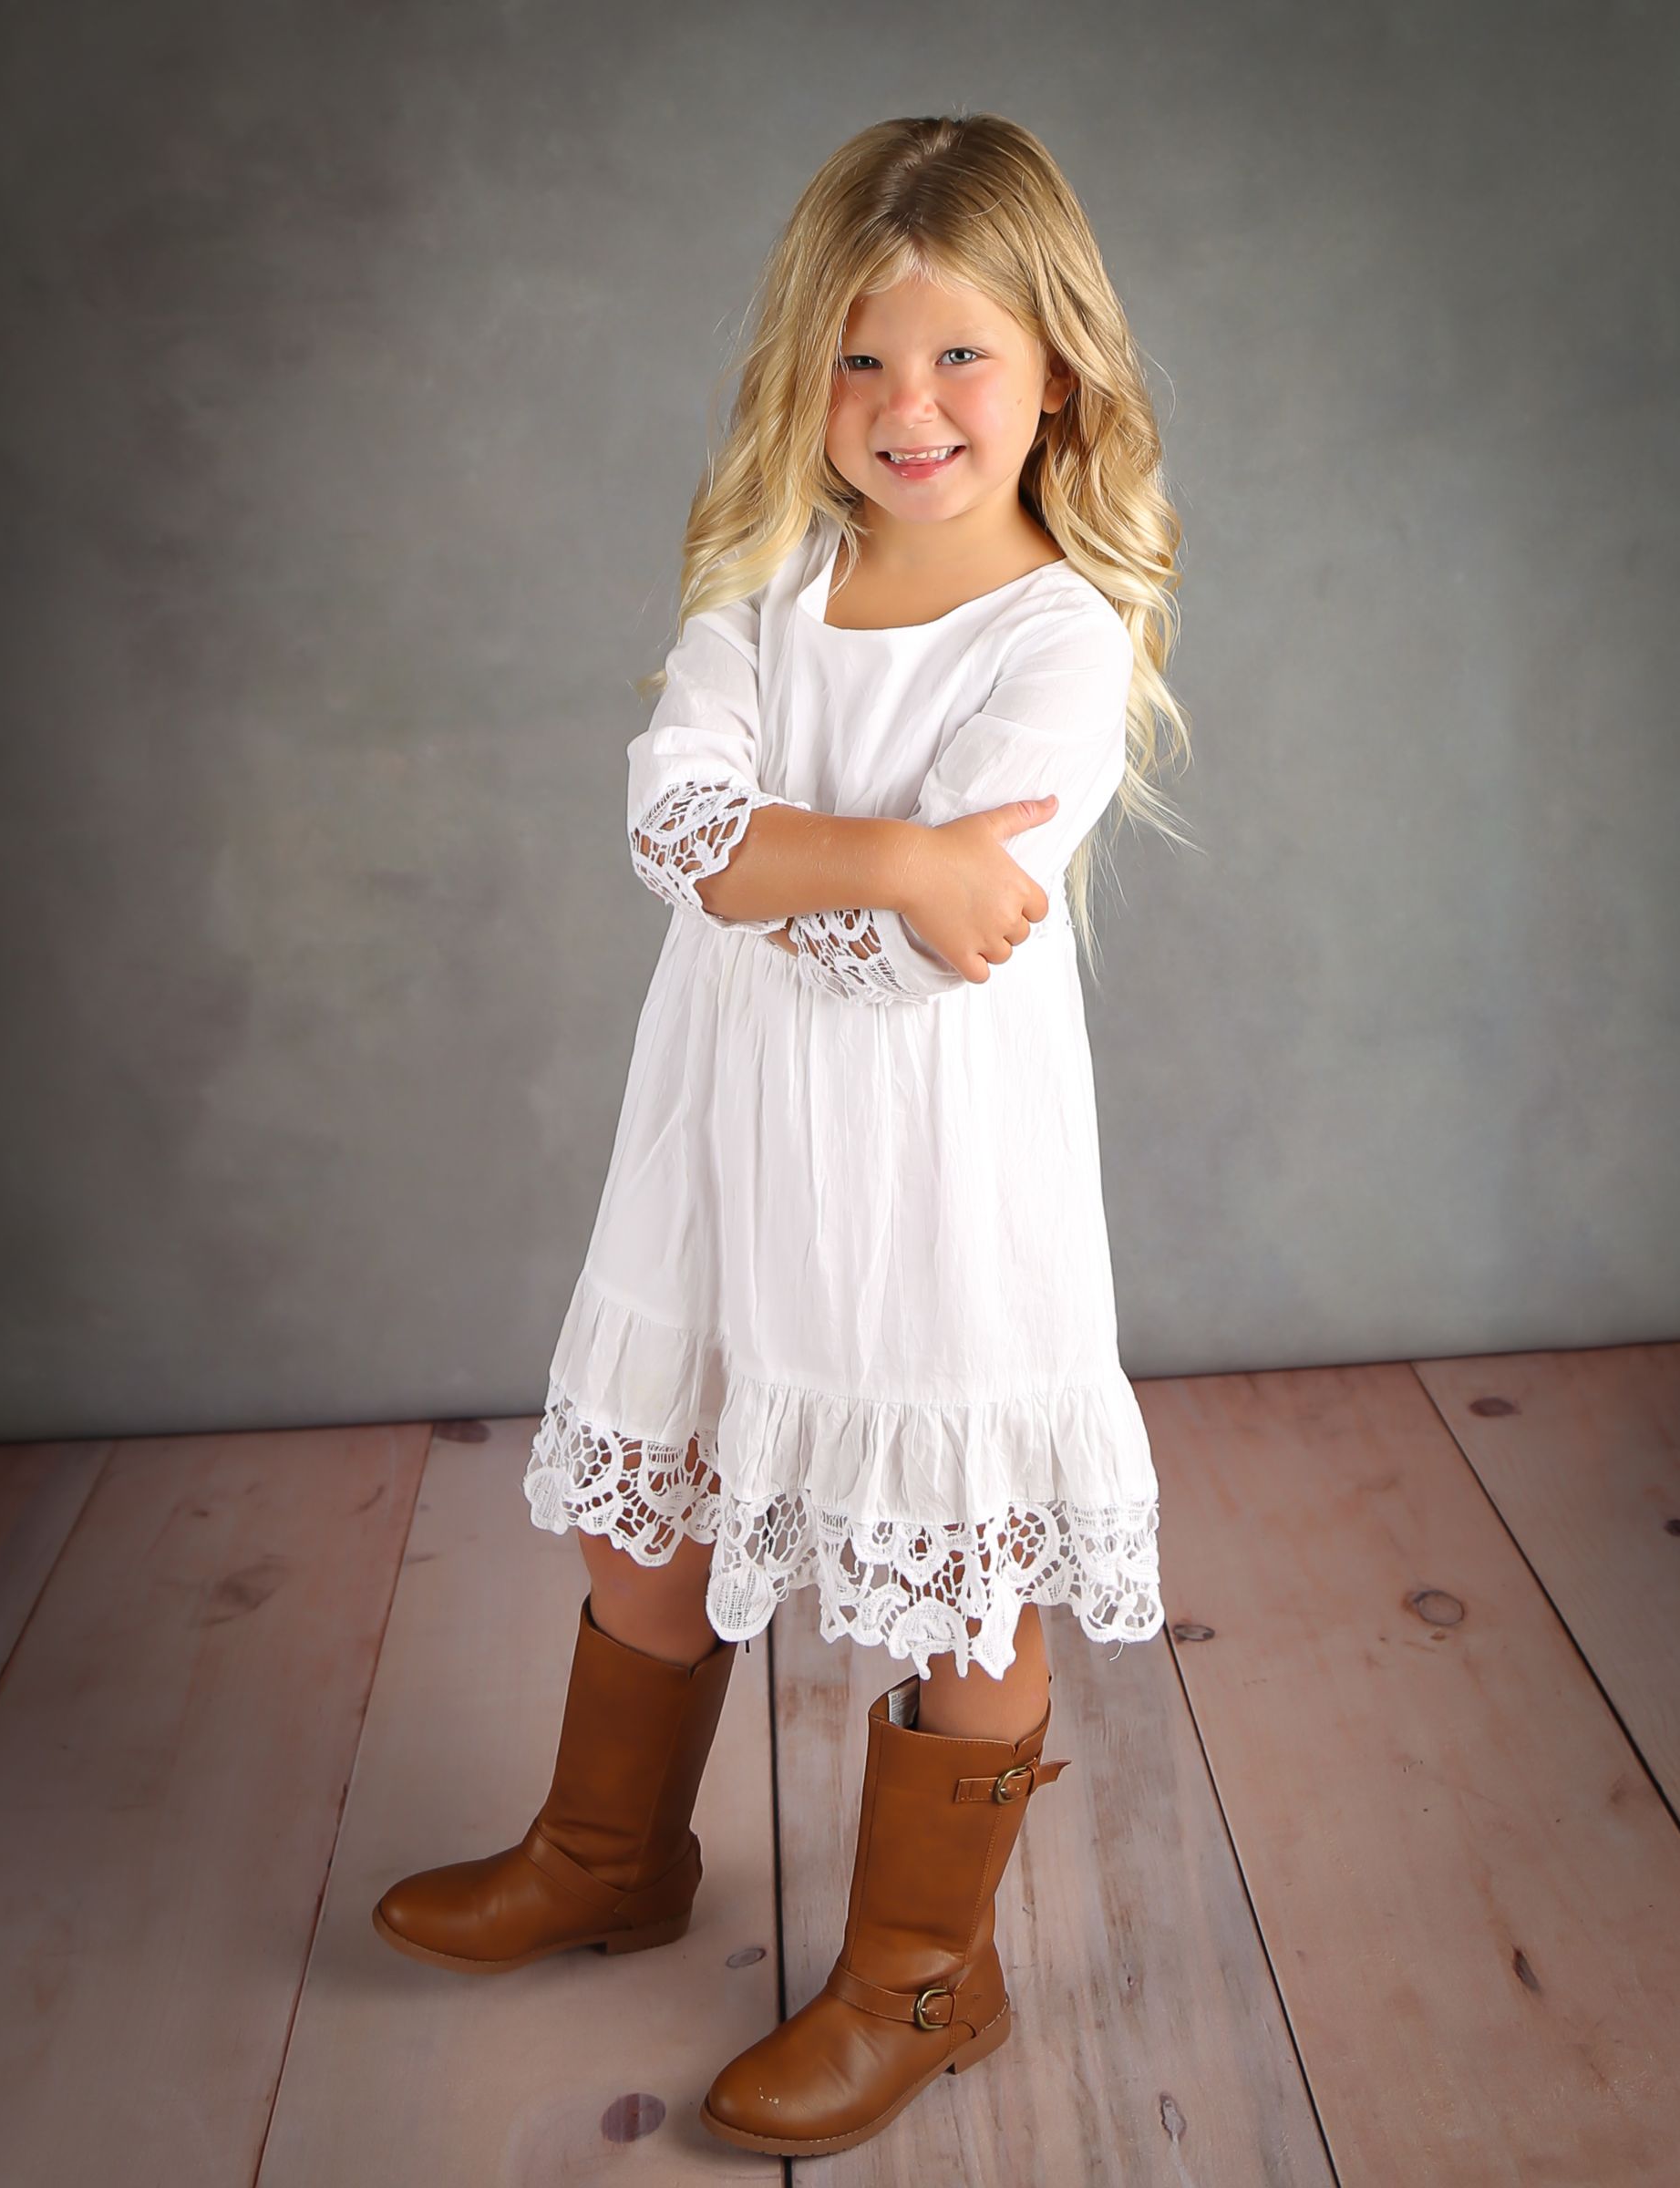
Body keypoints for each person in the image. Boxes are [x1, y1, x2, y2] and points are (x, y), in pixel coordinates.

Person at [374, 110, 1192, 2159]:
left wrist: (816, 870)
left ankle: (925, 1971)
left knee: (962, 1585)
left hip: (929, 1175)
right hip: (724, 1143)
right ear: (803, 378)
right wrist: (889, 856)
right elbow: (675, 825)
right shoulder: (766, 585)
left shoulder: (1059, 636)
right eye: (858, 358)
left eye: (960, 355)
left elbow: (915, 955)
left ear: (1058, 374)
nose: (908, 406)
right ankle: (608, 1853)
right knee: (644, 1503)